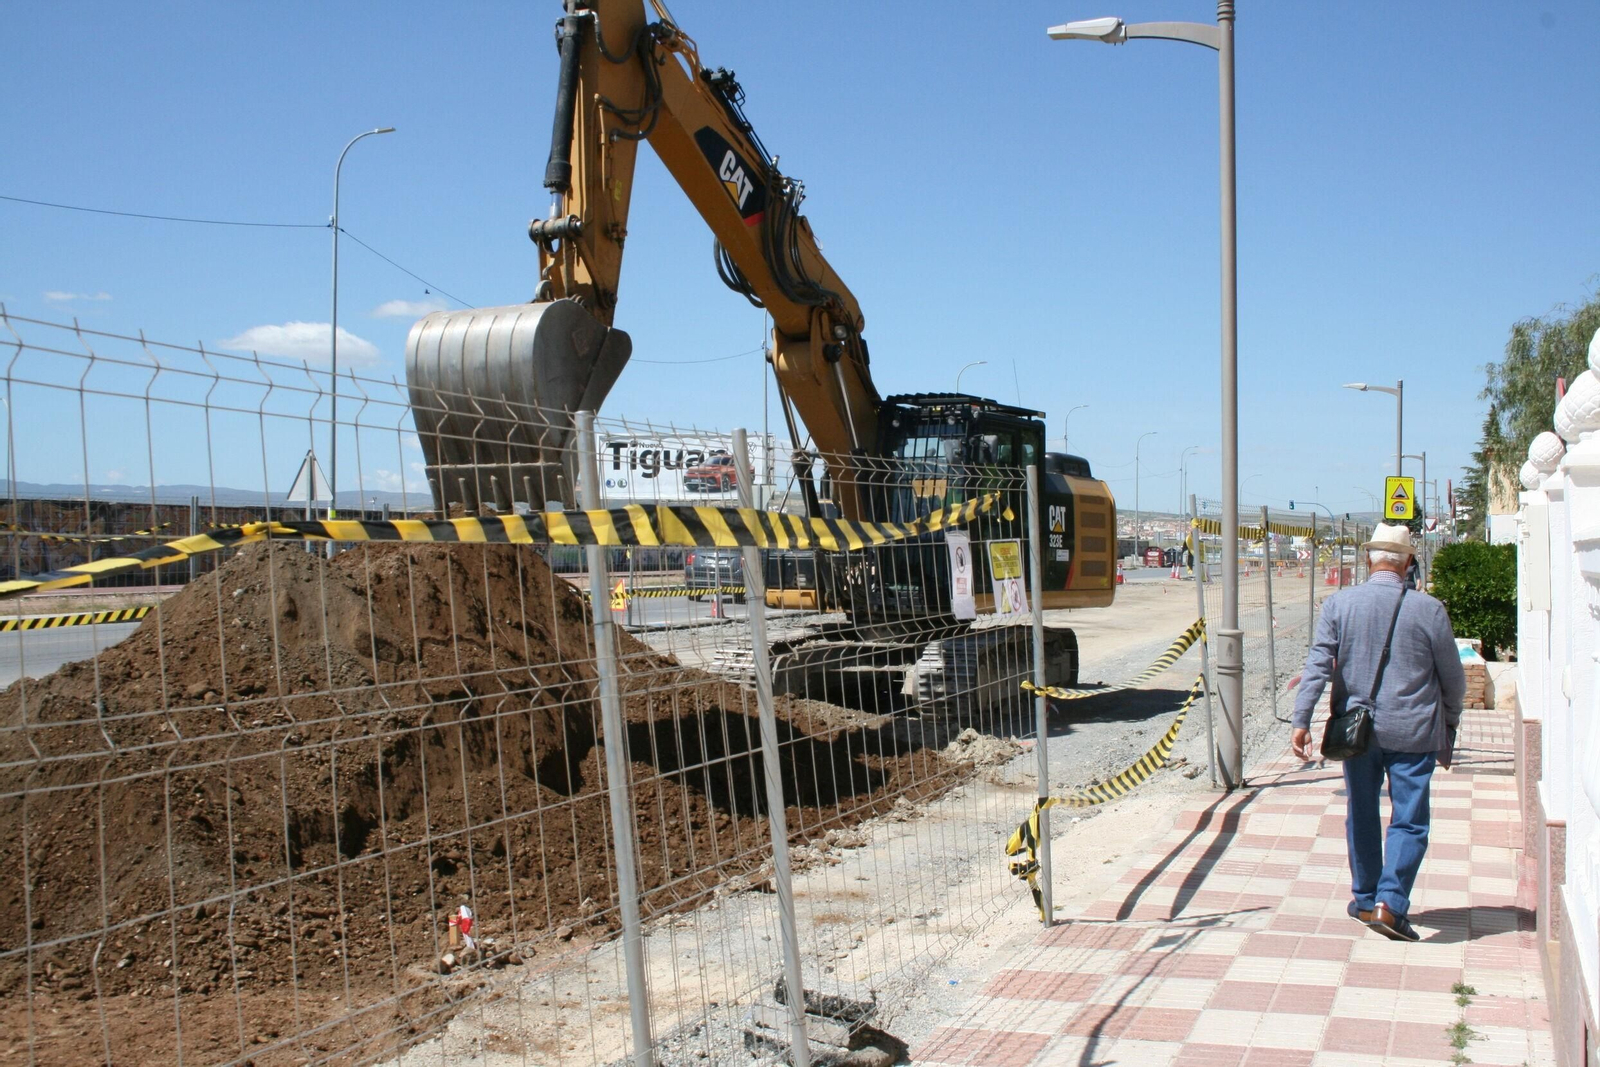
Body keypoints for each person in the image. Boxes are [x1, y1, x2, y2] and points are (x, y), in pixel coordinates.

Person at [1290, 523, 1466, 942]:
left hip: (1357, 732)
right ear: (1407, 561)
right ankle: (1391, 903)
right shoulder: (1430, 610)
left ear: (1370, 560)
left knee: (1362, 812)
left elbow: (1317, 667)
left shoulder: (1339, 605)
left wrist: (1301, 720)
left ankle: (1366, 898)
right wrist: (1450, 721)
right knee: (1409, 820)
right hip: (1414, 730)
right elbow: (1453, 679)